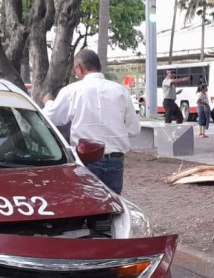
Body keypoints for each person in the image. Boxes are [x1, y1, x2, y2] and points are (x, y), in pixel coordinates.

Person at [41, 49, 140, 194]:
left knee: (88, 208)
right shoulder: (121, 91)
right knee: (113, 208)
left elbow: (50, 119)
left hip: (86, 161)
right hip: (115, 161)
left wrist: (49, 102)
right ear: (98, 66)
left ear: (79, 67)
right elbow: (134, 130)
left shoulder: (72, 91)